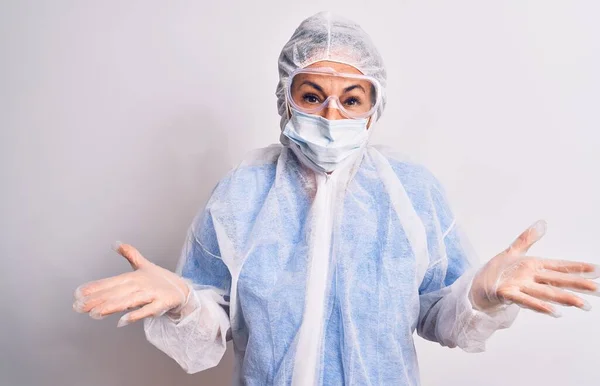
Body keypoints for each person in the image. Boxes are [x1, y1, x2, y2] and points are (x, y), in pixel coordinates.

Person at [73, 11, 600, 385]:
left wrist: (480, 295)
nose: (331, 116)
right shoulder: (242, 191)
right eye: (311, 96)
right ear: (285, 101)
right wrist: (186, 300)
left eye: (351, 99)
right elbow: (210, 332)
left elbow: (440, 319)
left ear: (374, 109)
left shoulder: (409, 192)